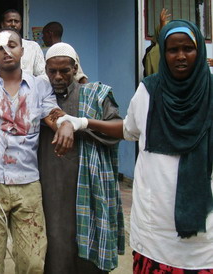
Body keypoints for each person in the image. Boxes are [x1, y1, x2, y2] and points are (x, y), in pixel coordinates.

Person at [62, 20, 213, 272]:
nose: (181, 56)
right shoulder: (149, 91)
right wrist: (83, 122)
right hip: (157, 228)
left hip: (205, 232)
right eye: (172, 50)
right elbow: (127, 129)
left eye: (188, 48)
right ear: (163, 54)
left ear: (200, 51)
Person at [0, 28, 72, 273]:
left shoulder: (39, 86)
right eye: (0, 47)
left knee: (32, 261)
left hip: (28, 184)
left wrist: (65, 124)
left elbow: (53, 115)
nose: (6, 51)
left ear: (23, 50)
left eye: (12, 45)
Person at [38, 42, 124, 273]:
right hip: (51, 185)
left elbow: (120, 128)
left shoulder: (95, 94)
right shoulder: (39, 99)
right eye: (51, 71)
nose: (57, 77)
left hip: (89, 185)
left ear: (75, 68)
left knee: (89, 242)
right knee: (55, 240)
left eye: (64, 71)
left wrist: (82, 123)